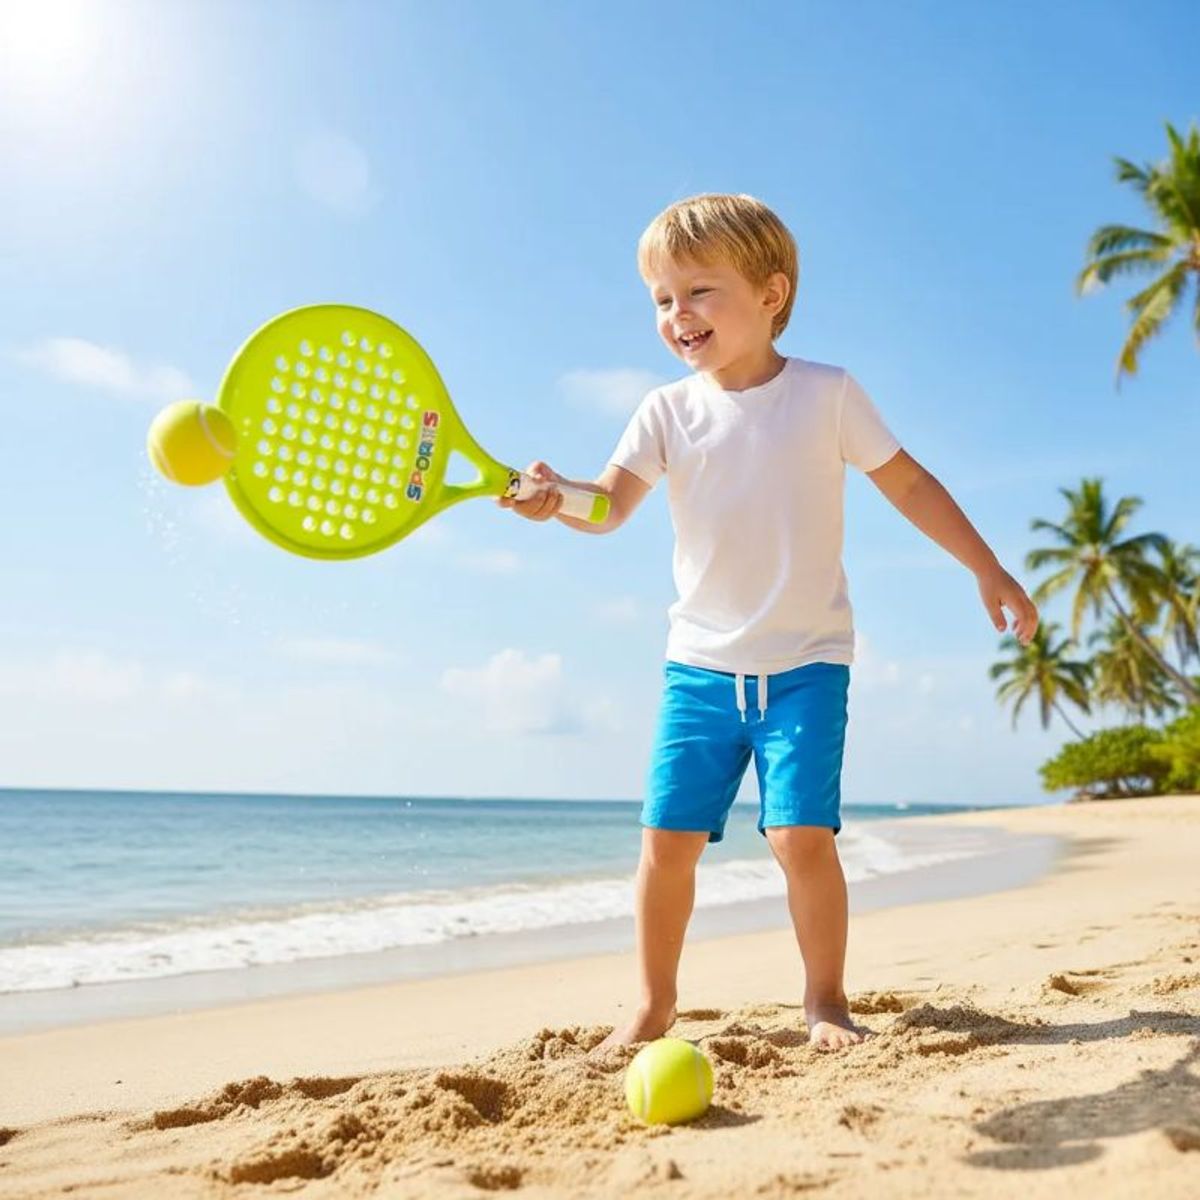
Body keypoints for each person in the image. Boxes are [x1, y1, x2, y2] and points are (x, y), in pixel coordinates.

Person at [500, 193, 1039, 1051]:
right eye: (662, 300)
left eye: (699, 291)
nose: (678, 315)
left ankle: (825, 1002)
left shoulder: (827, 394)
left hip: (807, 666)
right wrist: (552, 496)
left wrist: (988, 567)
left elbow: (907, 483)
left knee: (800, 837)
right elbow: (606, 507)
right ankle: (651, 1005)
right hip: (700, 669)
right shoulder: (665, 412)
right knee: (666, 844)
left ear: (772, 292)